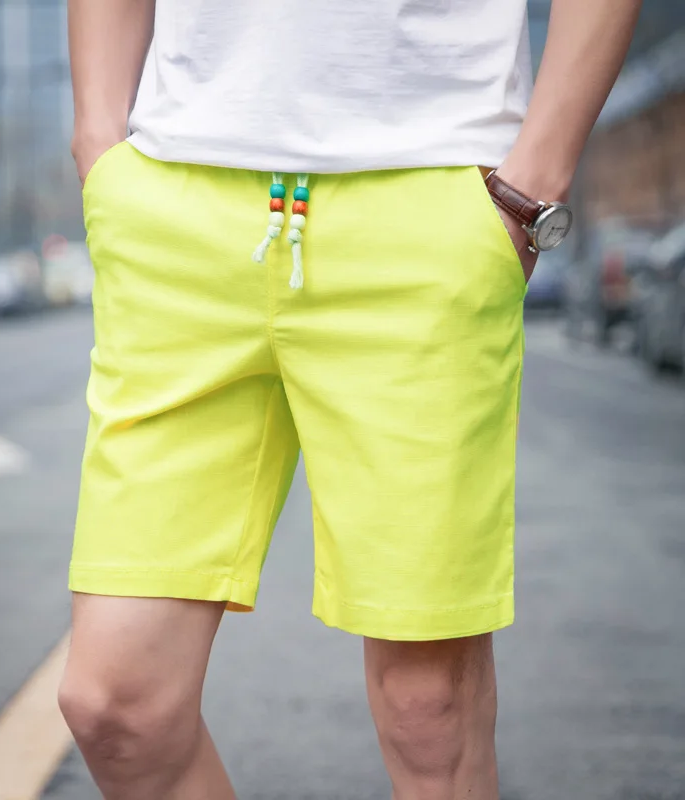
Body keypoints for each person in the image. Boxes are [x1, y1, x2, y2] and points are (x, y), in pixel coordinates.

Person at [58, 1, 641, 797]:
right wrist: (98, 140)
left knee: (428, 713)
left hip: (422, 203)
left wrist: (533, 181)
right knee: (116, 706)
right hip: (175, 207)